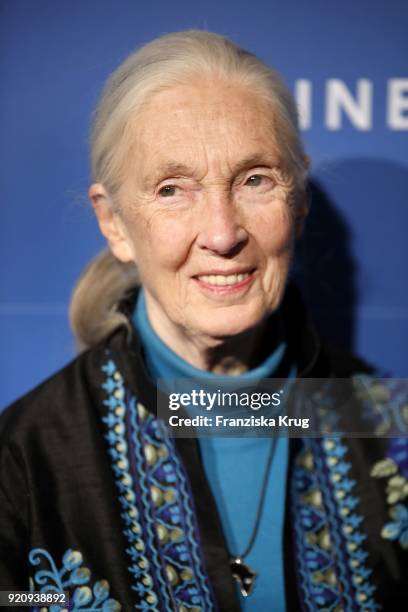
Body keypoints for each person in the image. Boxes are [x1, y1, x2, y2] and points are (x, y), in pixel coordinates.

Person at [0, 30, 407, 611]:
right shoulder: (23, 458)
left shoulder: (392, 427)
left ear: (300, 199)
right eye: (173, 189)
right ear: (114, 222)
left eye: (255, 180)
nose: (222, 233)